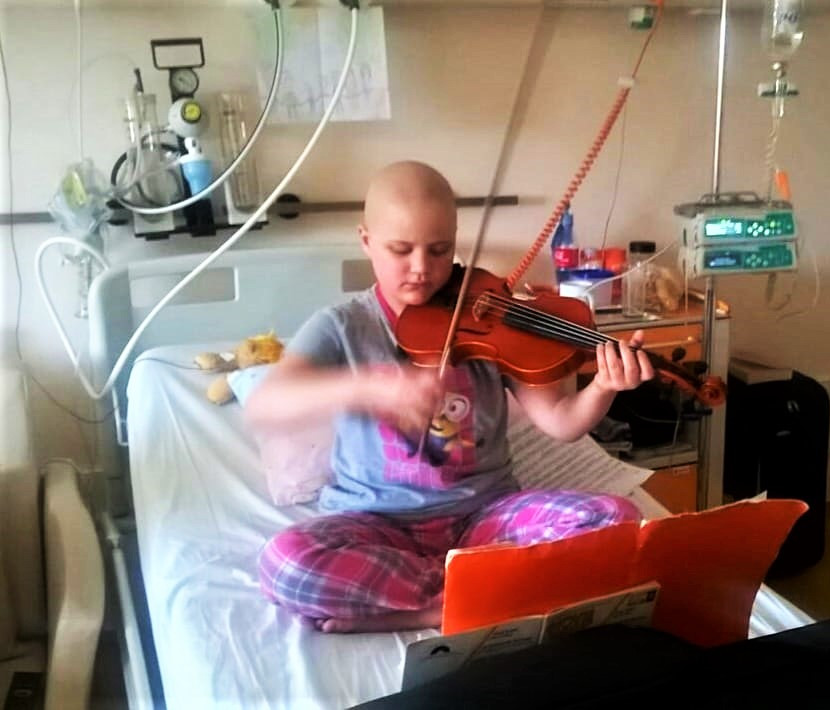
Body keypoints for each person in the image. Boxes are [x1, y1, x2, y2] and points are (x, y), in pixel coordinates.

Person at [247, 161, 655, 633]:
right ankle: (471, 599)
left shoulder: (488, 317)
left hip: (483, 518)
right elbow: (266, 405)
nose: (422, 268)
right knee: (285, 563)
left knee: (617, 522)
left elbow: (562, 422)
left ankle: (423, 607)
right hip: (375, 523)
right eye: (401, 249)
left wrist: (603, 386)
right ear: (366, 240)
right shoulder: (341, 326)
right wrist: (368, 387)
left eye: (440, 250)